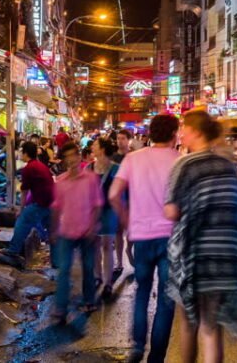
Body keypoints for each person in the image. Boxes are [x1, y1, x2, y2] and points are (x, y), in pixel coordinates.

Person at [164, 110, 237, 363]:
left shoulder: (184, 164)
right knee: (211, 328)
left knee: (188, 323)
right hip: (228, 256)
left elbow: (171, 211)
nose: (181, 133)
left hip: (195, 256)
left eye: (184, 129)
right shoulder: (229, 166)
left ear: (196, 133)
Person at [109, 114, 180, 363]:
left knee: (142, 291)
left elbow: (113, 194)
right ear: (174, 134)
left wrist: (129, 223)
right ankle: (156, 358)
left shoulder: (133, 159)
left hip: (141, 237)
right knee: (166, 301)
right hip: (171, 239)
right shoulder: (180, 161)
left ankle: (137, 346)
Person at [50, 142, 103, 323]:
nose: (72, 159)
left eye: (74, 155)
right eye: (68, 156)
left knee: (88, 268)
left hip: (87, 231)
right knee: (64, 270)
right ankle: (60, 308)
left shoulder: (91, 179)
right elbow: (56, 208)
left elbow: (97, 205)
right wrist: (54, 229)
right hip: (67, 231)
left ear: (79, 157)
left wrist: (93, 226)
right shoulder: (60, 182)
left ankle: (89, 300)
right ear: (64, 160)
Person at [0, 142, 55, 267]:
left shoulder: (29, 168)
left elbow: (24, 191)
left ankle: (13, 251)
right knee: (51, 231)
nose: (20, 154)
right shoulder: (40, 166)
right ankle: (57, 259)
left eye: (21, 151)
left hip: (42, 203)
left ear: (26, 153)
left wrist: (21, 209)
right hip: (50, 202)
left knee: (22, 221)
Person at [87, 137, 121, 300]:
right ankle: (97, 276)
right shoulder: (88, 168)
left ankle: (108, 283)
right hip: (92, 213)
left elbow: (121, 193)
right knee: (94, 246)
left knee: (107, 246)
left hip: (109, 212)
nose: (92, 147)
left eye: (95, 145)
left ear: (102, 149)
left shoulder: (116, 169)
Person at [110, 128, 134, 281]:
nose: (120, 141)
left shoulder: (134, 157)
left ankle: (129, 250)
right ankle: (119, 262)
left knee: (132, 229)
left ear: (129, 140)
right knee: (118, 231)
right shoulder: (113, 157)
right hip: (119, 197)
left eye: (123, 138)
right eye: (118, 138)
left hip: (133, 197)